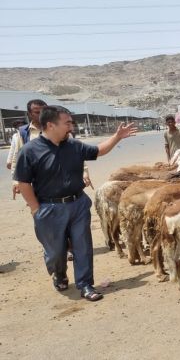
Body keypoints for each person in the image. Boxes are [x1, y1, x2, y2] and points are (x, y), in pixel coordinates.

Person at [14, 105, 137, 301]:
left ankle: (85, 284)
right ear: (50, 125)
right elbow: (23, 181)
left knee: (83, 247)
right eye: (67, 123)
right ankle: (59, 273)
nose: (71, 126)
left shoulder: (74, 146)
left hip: (78, 204)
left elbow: (98, 151)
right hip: (49, 209)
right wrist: (35, 208)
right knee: (56, 252)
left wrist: (117, 137)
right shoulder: (30, 151)